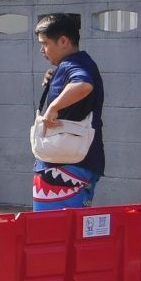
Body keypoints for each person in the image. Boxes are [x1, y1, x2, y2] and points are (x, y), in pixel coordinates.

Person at [32, 13, 104, 210]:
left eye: (45, 43)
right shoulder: (73, 64)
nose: (42, 50)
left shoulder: (75, 64)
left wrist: (53, 108)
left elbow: (83, 84)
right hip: (70, 164)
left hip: (66, 166)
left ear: (63, 41)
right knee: (67, 233)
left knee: (49, 233)